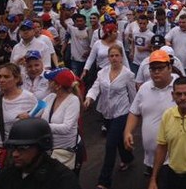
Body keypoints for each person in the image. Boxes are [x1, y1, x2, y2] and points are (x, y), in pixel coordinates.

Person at [85, 44, 136, 189]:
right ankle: (128, 158)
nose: (114, 58)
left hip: (122, 112)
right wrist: (89, 98)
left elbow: (133, 96)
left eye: (116, 55)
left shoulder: (128, 75)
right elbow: (95, 87)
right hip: (106, 112)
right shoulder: (102, 73)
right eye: (111, 56)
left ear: (121, 57)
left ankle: (104, 181)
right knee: (119, 140)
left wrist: (134, 115)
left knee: (110, 145)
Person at [0, 118, 81, 189]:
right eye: (14, 148)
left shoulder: (62, 180)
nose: (15, 154)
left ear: (41, 147)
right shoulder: (10, 173)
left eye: (23, 148)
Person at [124, 50, 177, 177]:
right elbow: (134, 112)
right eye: (153, 69)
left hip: (175, 158)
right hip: (150, 158)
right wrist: (127, 132)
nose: (156, 72)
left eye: (160, 68)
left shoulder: (181, 87)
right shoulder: (144, 89)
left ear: (170, 67)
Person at [41, 68, 82, 170]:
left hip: (65, 153)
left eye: (50, 81)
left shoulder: (73, 101)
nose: (48, 83)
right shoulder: (50, 97)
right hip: (49, 150)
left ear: (58, 86)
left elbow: (66, 128)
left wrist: (42, 126)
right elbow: (34, 111)